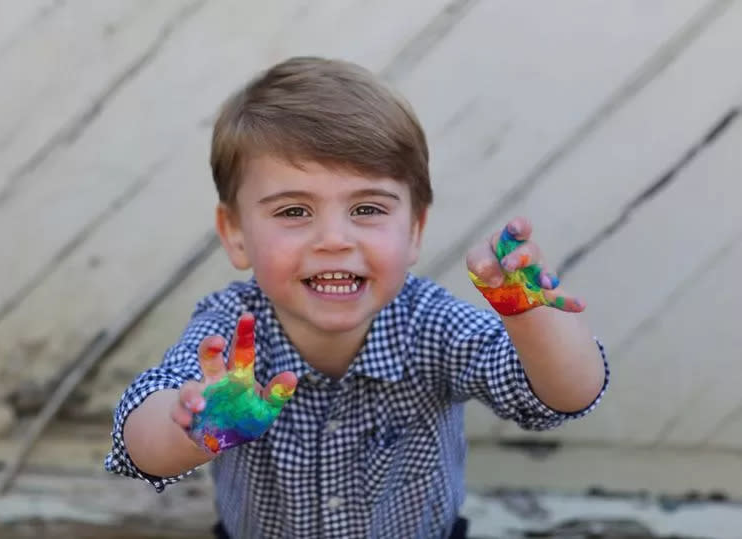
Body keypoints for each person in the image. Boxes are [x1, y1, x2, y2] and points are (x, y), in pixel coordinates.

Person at [105, 56, 609, 539]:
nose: (334, 239)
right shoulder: (232, 333)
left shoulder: (433, 324)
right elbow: (139, 438)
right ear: (235, 233)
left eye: (367, 208)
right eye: (294, 212)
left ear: (414, 230)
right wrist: (194, 431)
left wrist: (529, 318)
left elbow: (561, 397)